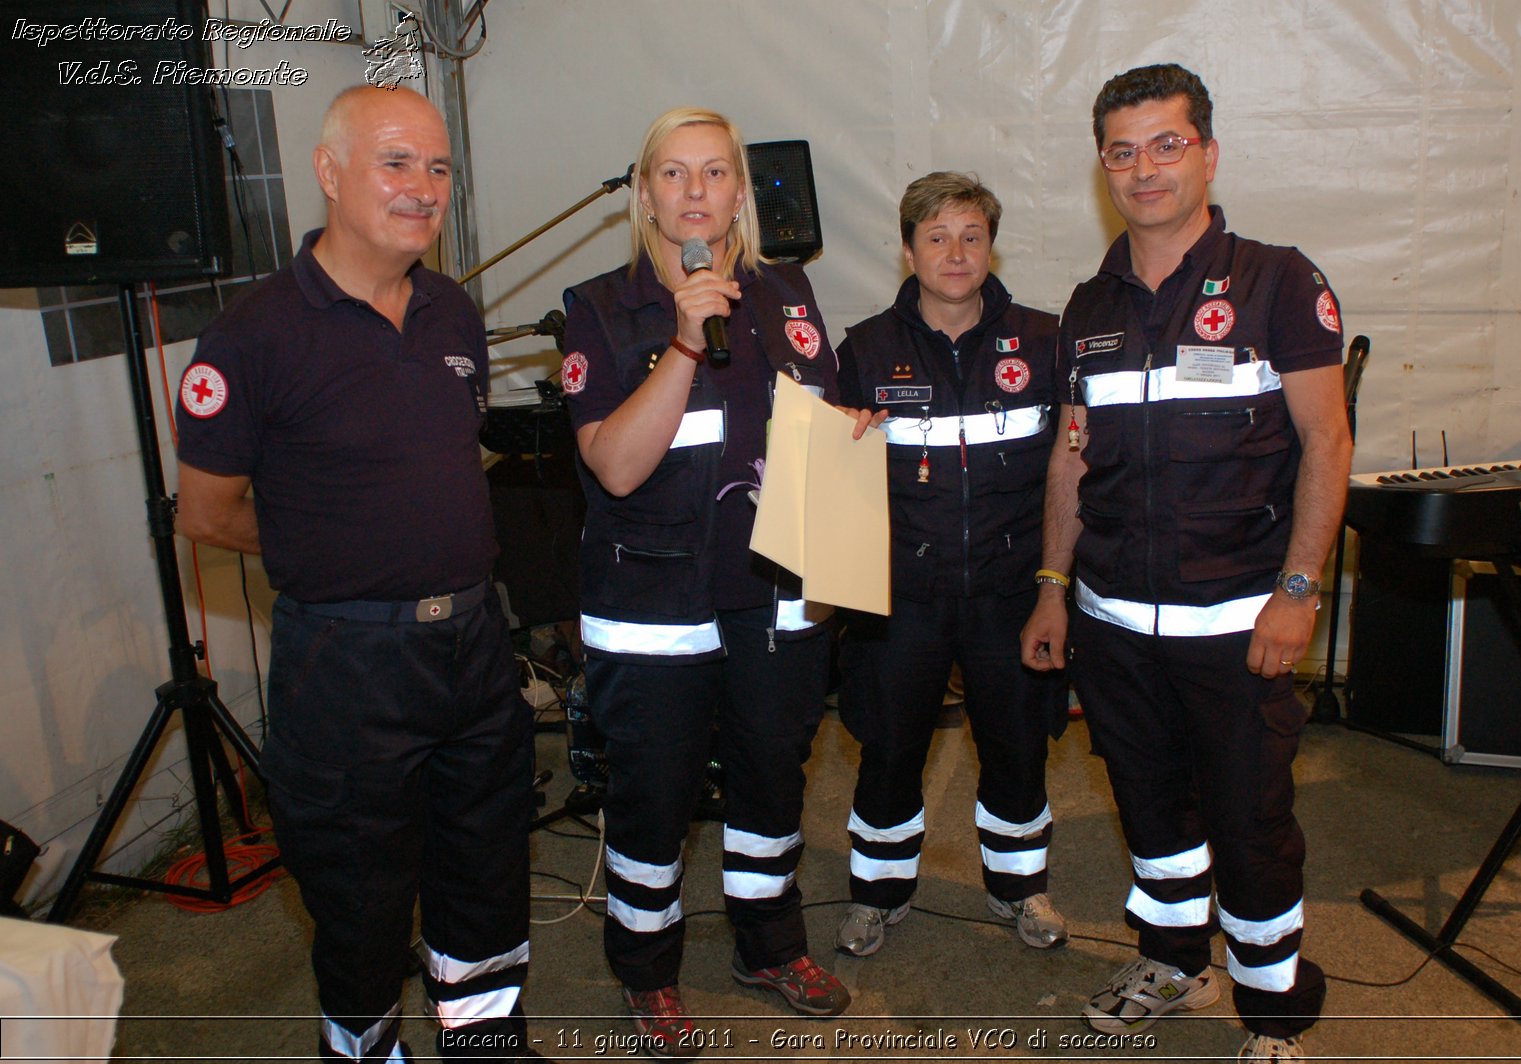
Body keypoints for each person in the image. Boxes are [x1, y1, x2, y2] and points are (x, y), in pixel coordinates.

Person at [174, 86, 536, 1064]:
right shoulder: (252, 336)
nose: (423, 188)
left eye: (438, 167)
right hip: (345, 662)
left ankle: (485, 1043)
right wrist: (323, 546)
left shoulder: (455, 309)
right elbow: (204, 513)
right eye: (395, 162)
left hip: (472, 647)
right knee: (360, 892)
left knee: (487, 870)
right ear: (329, 171)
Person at [1020, 64, 1353, 1061]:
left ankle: (1274, 1017)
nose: (1143, 168)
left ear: (1207, 151)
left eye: (1166, 143)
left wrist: (1297, 591)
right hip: (1115, 627)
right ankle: (1172, 957)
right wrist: (1050, 584)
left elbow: (1327, 444)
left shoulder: (1279, 281)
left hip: (1239, 623)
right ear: (1102, 168)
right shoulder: (1087, 308)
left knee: (1251, 823)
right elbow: (1072, 457)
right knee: (1149, 805)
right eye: (1121, 150)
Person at [560, 107, 853, 1057]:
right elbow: (614, 466)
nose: (696, 194)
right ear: (644, 194)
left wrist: (845, 436)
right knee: (653, 797)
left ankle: (769, 946)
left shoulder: (788, 292)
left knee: (773, 780)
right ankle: (647, 975)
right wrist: (687, 342)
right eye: (674, 175)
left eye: (715, 173)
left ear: (741, 191)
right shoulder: (600, 307)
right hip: (652, 605)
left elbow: (811, 421)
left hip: (776, 589)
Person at [833, 172, 1067, 958]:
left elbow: (1076, 471)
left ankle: (1019, 889)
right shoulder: (865, 349)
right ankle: (877, 895)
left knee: (1018, 745)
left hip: (1011, 590)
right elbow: (833, 478)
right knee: (890, 748)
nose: (955, 253)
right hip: (901, 596)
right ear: (907, 251)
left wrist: (1058, 586)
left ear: (991, 246)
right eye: (936, 237)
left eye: (971, 235)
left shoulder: (1044, 340)